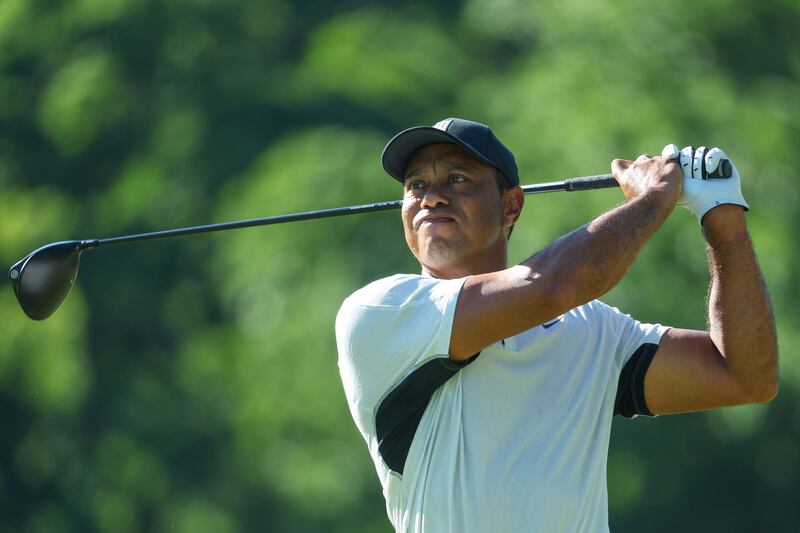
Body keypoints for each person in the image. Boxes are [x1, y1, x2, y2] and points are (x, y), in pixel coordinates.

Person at [334, 118, 778, 532]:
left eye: (457, 179)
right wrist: (654, 197)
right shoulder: (381, 312)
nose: (431, 197)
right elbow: (551, 287)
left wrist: (723, 218)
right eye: (416, 186)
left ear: (511, 206)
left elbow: (746, 376)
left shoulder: (593, 329)